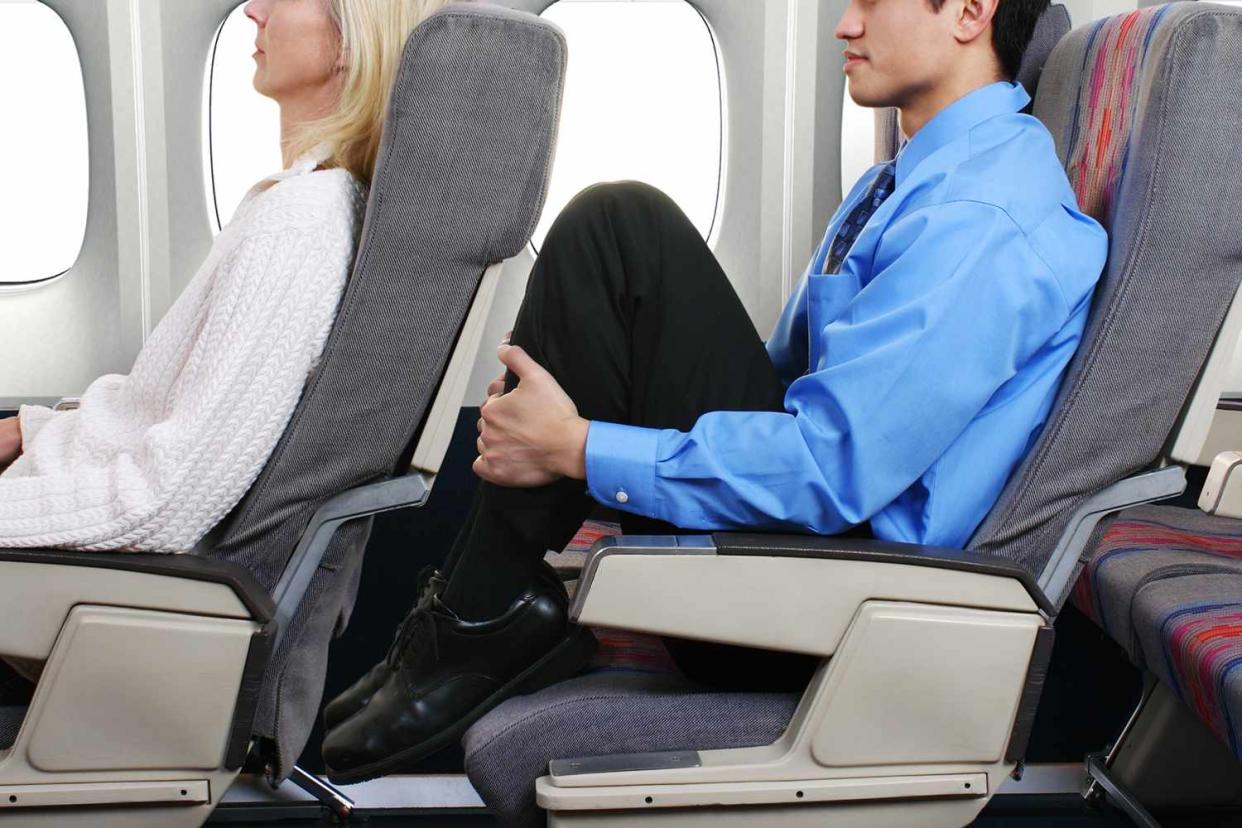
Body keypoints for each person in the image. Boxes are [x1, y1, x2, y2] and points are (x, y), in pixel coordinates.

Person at [319, 0, 1107, 781]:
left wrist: (578, 446)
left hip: (843, 608)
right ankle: (476, 611)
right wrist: (593, 379)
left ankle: (477, 617)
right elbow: (776, 376)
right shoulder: (910, 182)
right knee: (611, 252)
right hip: (806, 566)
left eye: (870, 0)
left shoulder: (984, 216)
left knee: (621, 227)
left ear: (971, 11)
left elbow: (834, 470)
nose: (845, 25)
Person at [0, 0, 451, 552]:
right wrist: (34, 431)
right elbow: (166, 415)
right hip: (57, 482)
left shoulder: (300, 224)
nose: (253, 11)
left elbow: (164, 504)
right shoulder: (302, 201)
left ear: (352, 40)